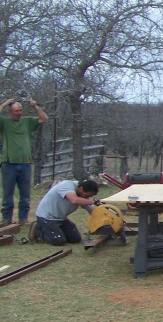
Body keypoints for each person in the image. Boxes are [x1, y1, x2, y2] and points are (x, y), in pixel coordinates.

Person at [0, 97, 48, 225]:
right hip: (8, 163)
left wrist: (35, 107)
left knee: (25, 194)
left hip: (25, 163)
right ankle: (6, 219)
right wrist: (5, 103)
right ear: (10, 112)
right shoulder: (4, 123)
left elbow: (44, 118)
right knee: (8, 194)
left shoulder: (27, 122)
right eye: (16, 111)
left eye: (21, 110)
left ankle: (23, 219)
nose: (19, 113)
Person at [30, 178, 99, 245]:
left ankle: (56, 231)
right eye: (87, 195)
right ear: (81, 188)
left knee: (75, 239)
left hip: (61, 218)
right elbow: (74, 200)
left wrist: (101, 216)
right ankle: (38, 230)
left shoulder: (82, 195)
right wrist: (93, 202)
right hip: (46, 217)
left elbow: (91, 210)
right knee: (58, 241)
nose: (87, 198)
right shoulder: (67, 185)